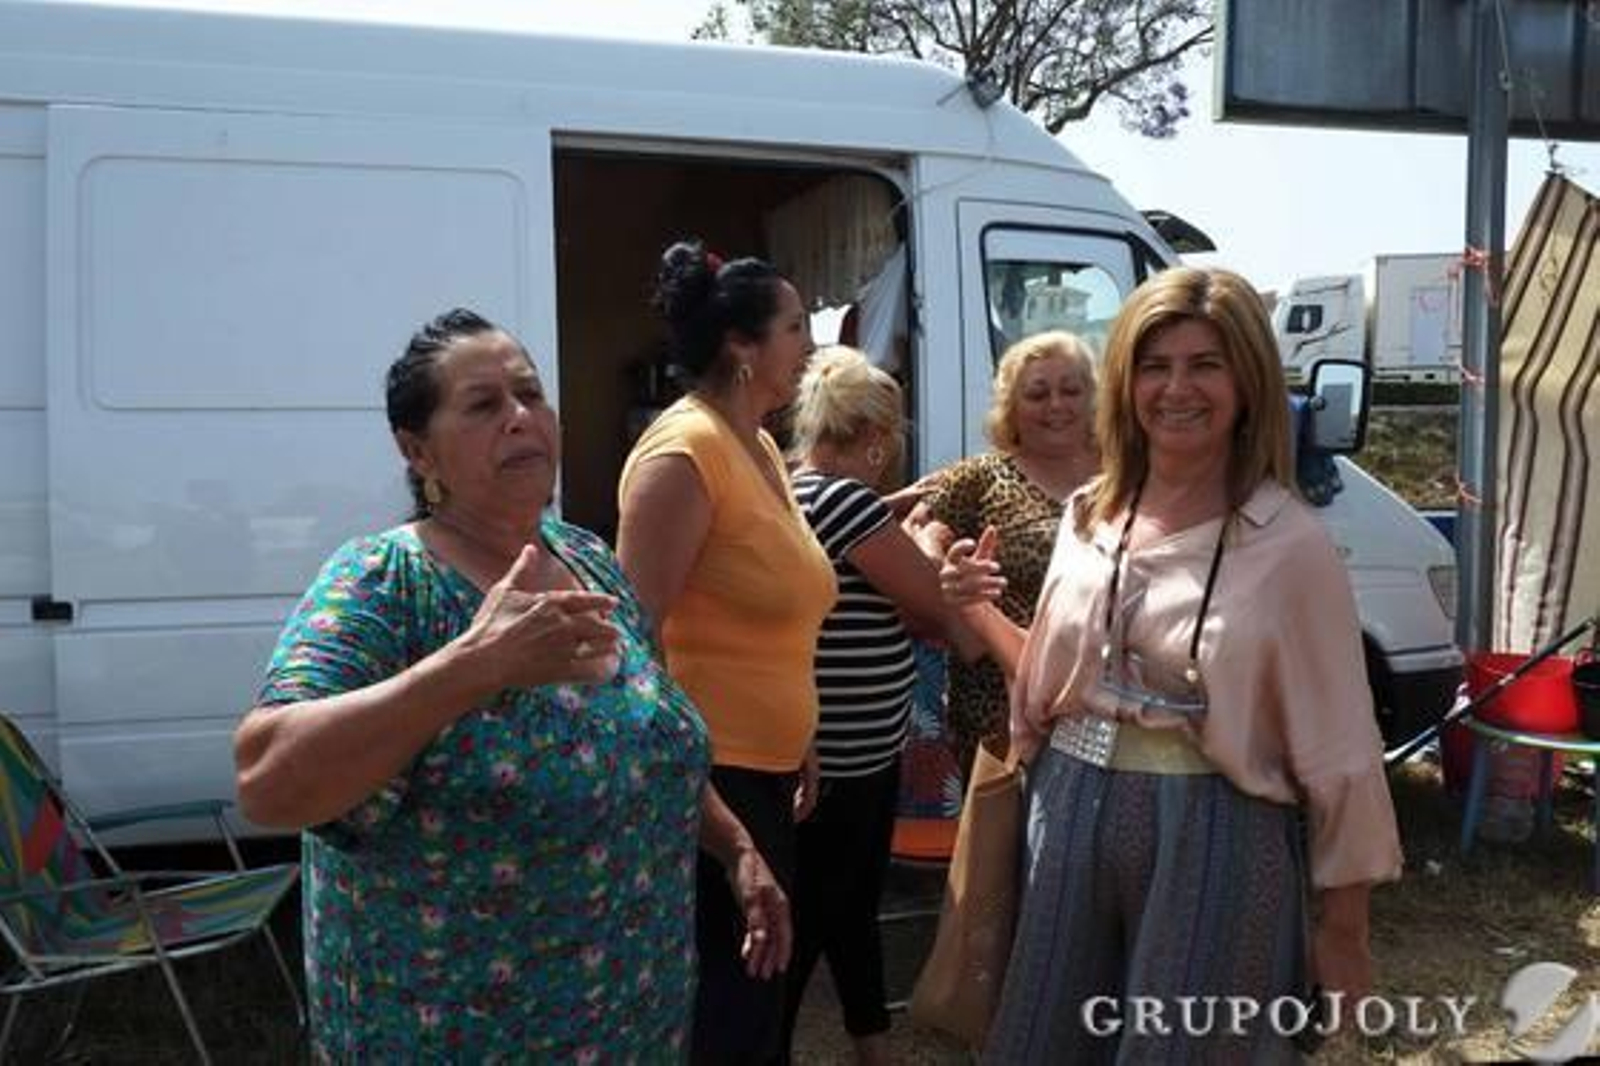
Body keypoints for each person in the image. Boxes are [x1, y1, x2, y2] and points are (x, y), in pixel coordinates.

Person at [232, 309, 754, 1060]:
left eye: (530, 394)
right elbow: (266, 779)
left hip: (632, 1018)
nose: (521, 418)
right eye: (483, 405)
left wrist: (735, 846)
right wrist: (476, 666)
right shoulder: (385, 582)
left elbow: (652, 733)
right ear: (418, 450)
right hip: (456, 1034)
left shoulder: (588, 558)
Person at [943, 267, 1403, 1062]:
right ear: (1125, 382)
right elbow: (1053, 689)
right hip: (1065, 816)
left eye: (1205, 364)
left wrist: (1344, 929)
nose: (1176, 388)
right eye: (1155, 366)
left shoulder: (1289, 543)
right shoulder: (1087, 517)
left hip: (1216, 831)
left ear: (1248, 381)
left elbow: (1341, 751)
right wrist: (974, 608)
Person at [617, 240, 837, 1062]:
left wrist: (801, 732)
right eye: (793, 327)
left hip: (767, 773)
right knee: (728, 1008)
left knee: (758, 996)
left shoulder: (760, 446)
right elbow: (635, 638)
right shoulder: (685, 454)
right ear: (743, 347)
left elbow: (769, 617)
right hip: (712, 783)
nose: (809, 347)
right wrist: (700, 787)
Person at [776, 347, 952, 1065]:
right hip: (850, 757)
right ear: (876, 438)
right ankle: (763, 1044)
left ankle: (871, 1040)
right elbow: (933, 603)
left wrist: (893, 509)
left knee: (848, 911)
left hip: (834, 749)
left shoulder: (798, 490)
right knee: (822, 915)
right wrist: (929, 534)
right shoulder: (849, 504)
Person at [919, 330, 1099, 776]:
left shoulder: (1128, 472)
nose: (1056, 405)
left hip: (1101, 701)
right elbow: (921, 526)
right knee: (1002, 839)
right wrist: (949, 573)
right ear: (1011, 407)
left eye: (1071, 391)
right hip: (996, 705)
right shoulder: (980, 475)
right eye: (1038, 394)